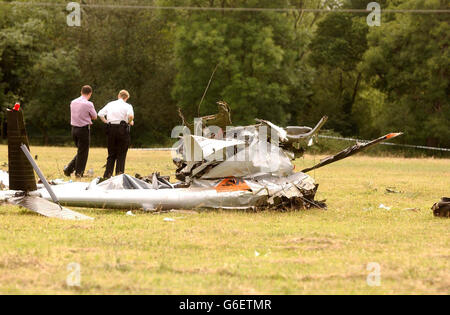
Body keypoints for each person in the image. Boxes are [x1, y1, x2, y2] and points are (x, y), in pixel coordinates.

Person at [98, 90, 134, 179]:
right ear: (126, 98)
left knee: (111, 154)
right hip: (122, 129)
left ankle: (107, 176)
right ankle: (119, 176)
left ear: (119, 95)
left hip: (111, 129)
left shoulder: (110, 104)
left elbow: (100, 114)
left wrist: (107, 122)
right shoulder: (128, 106)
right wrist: (129, 122)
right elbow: (130, 116)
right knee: (121, 154)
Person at [64, 85, 97, 178]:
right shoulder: (89, 104)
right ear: (90, 93)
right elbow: (95, 116)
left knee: (81, 151)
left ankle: (68, 169)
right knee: (83, 152)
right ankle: (79, 173)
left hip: (74, 129)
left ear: (81, 92)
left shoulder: (73, 102)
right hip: (83, 129)